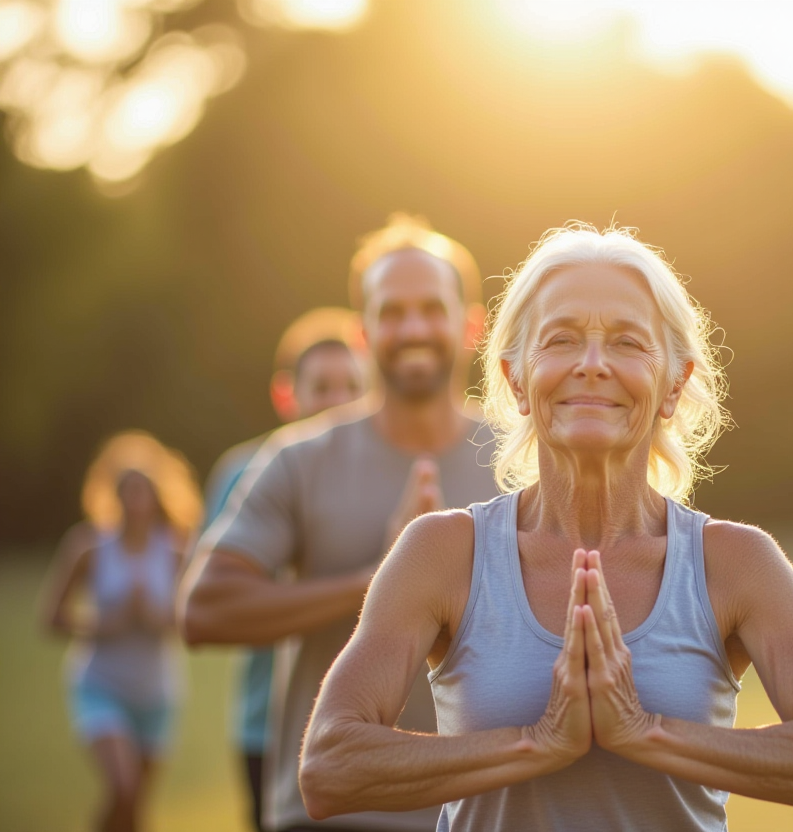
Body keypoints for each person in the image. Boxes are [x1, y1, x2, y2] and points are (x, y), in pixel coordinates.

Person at [298, 224, 793, 830]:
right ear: (516, 379)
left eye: (627, 342)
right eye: (561, 340)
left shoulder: (735, 563)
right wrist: (537, 744)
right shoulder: (443, 554)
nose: (593, 364)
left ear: (674, 385)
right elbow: (330, 767)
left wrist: (644, 732)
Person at [180, 214, 500, 832]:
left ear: (471, 326)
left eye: (432, 309)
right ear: (362, 333)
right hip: (334, 811)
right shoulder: (299, 459)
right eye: (392, 312)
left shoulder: (524, 461)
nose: (413, 328)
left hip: (486, 812)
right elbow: (203, 611)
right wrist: (382, 579)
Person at [201, 308, 367, 832]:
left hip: (372, 726)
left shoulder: (395, 467)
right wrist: (361, 586)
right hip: (269, 726)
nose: (338, 402)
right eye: (322, 387)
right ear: (285, 394)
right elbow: (214, 604)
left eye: (352, 387)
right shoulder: (244, 472)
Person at [40, 431, 202, 832]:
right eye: (127, 491)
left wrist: (155, 617)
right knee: (124, 787)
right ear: (112, 495)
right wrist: (102, 625)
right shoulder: (89, 547)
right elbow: (51, 618)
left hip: (156, 694)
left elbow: (193, 621)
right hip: (102, 685)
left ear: (157, 495)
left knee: (135, 807)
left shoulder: (176, 551)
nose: (135, 501)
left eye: (142, 491)